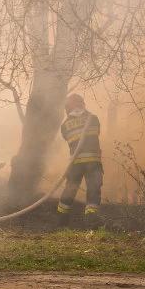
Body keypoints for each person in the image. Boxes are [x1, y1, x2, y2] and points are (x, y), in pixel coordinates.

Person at [56, 93, 104, 223]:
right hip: (93, 162)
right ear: (82, 104)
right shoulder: (93, 118)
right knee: (93, 188)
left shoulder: (64, 125)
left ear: (68, 108)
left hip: (75, 163)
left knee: (70, 189)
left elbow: (68, 138)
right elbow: (96, 133)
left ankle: (61, 219)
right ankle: (91, 219)